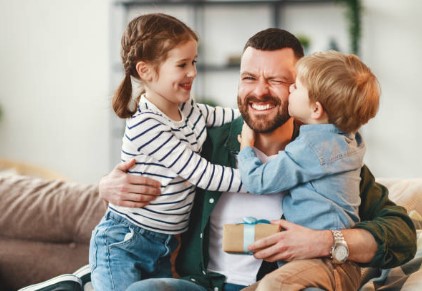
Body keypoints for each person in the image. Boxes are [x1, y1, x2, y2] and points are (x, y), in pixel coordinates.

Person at [99, 28, 416, 291]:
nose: (260, 91)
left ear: (303, 90)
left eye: (277, 81)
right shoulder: (206, 143)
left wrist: (324, 242)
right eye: (249, 77)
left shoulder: (328, 156)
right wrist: (106, 187)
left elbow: (401, 235)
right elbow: (147, 182)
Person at [89, 13, 243, 291]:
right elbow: (201, 173)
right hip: (125, 242)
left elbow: (230, 116)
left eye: (193, 62)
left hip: (163, 244)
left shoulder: (188, 108)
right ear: (146, 71)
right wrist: (259, 179)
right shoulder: (146, 125)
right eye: (182, 64)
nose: (193, 72)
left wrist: (260, 110)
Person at [237, 50, 380, 290]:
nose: (291, 89)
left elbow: (257, 181)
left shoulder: (313, 147)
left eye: (296, 87)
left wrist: (246, 147)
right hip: (333, 266)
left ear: (316, 109)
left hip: (326, 263)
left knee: (273, 286)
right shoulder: (345, 141)